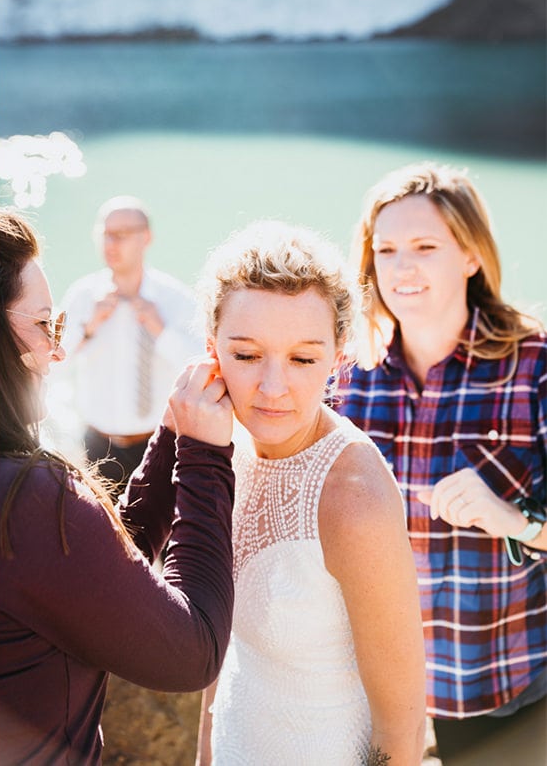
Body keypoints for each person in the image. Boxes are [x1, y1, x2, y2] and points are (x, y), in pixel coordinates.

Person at [0, 208, 236, 765]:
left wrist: (173, 435)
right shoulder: (34, 499)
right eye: (43, 326)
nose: (55, 352)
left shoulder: (5, 481)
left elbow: (92, 560)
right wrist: (205, 455)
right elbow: (193, 654)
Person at [195, 221, 426, 766]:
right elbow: (221, 652)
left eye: (302, 359)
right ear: (212, 349)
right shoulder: (223, 446)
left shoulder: (353, 497)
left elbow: (403, 733)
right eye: (247, 355)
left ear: (337, 356)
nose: (273, 389)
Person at [338, 162, 547, 764]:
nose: (402, 267)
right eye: (386, 249)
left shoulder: (533, 365)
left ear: (470, 256)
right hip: (364, 685)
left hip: (494, 685)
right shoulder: (346, 380)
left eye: (425, 247)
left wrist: (513, 518)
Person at [54, 196, 203, 487]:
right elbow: (52, 365)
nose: (111, 243)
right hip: (97, 446)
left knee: (156, 530)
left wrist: (161, 331)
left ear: (146, 237)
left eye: (122, 234)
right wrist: (88, 328)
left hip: (157, 445)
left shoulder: (175, 299)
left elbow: (199, 366)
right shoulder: (82, 296)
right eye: (106, 233)